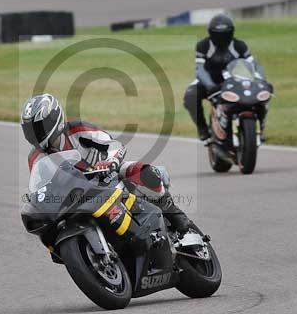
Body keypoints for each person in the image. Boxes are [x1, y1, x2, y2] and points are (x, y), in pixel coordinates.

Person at [21, 93, 191, 235]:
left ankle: (174, 213)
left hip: (108, 177)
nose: (34, 133)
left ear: (53, 119)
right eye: (29, 129)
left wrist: (109, 162)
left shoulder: (78, 129)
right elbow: (41, 187)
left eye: (38, 127)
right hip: (77, 197)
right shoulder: (35, 158)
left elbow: (113, 145)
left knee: (141, 171)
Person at [183, 13, 262, 145]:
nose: (221, 38)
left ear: (231, 32)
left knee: (260, 97)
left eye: (225, 34)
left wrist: (261, 81)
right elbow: (200, 69)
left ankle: (258, 129)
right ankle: (203, 129)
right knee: (190, 96)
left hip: (234, 81)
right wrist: (210, 85)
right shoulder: (203, 46)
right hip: (209, 81)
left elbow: (254, 65)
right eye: (218, 35)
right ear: (211, 33)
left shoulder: (239, 45)